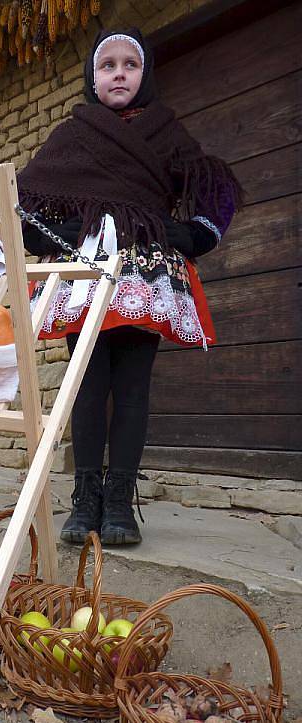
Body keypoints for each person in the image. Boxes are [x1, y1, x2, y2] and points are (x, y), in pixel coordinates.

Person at [18, 28, 242, 547]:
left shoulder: (168, 131)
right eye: (108, 66)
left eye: (130, 65)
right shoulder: (74, 134)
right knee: (89, 385)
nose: (119, 74)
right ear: (92, 78)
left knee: (135, 386)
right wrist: (59, 232)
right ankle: (85, 498)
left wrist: (195, 234)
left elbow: (215, 186)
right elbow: (23, 199)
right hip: (88, 271)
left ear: (146, 75)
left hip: (147, 272)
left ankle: (120, 502)